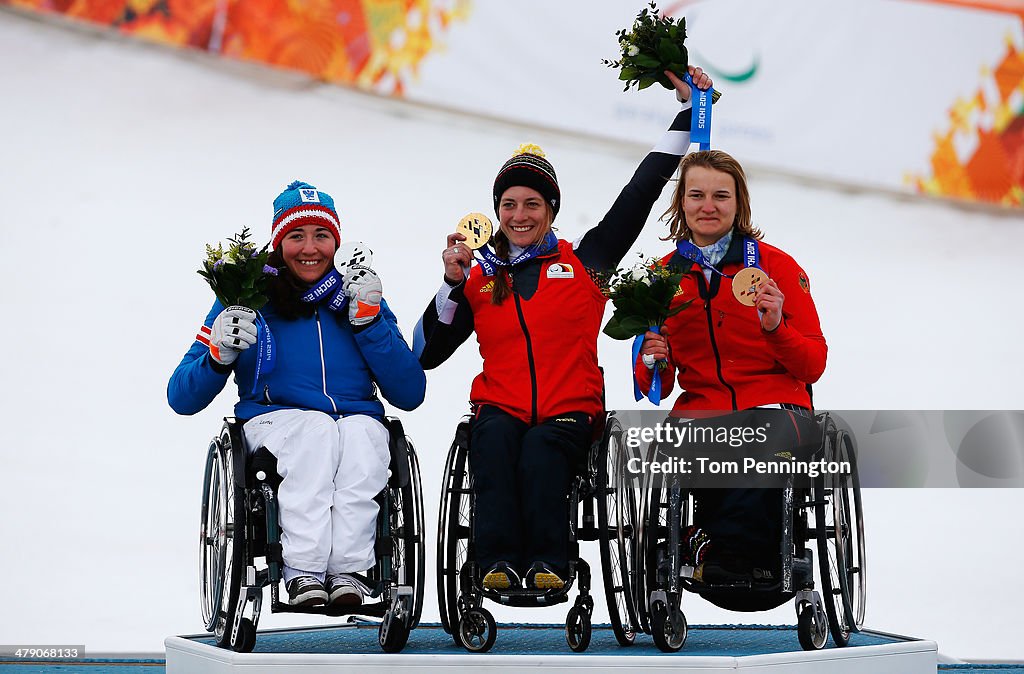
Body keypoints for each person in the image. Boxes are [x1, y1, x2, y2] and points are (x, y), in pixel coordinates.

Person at [414, 68, 714, 591]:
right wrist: (450, 286)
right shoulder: (479, 276)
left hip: (569, 410)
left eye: (532, 204)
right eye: (509, 205)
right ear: (496, 212)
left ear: (551, 210)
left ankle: (550, 562)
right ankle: (495, 563)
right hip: (500, 406)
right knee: (495, 446)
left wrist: (690, 114)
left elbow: (640, 191)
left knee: (541, 453)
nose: (520, 215)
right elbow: (425, 354)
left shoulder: (586, 263)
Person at [168, 180, 426, 607]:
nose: (310, 248)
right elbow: (181, 396)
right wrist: (217, 354)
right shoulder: (247, 295)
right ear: (278, 242)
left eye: (321, 235)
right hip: (273, 420)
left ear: (336, 243)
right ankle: (304, 570)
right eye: (296, 236)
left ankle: (349, 571)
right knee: (316, 429)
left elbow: (410, 392)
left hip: (354, 419)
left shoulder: (358, 293)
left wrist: (370, 323)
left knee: (363, 434)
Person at [636, 149, 827, 585]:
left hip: (774, 405)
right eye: (697, 195)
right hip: (700, 410)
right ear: (681, 202)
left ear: (739, 203)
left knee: (753, 443)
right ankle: (729, 553)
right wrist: (653, 359)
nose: (708, 206)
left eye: (721, 196)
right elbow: (656, 386)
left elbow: (813, 364)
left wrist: (776, 328)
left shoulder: (776, 267)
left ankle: (718, 549)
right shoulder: (663, 276)